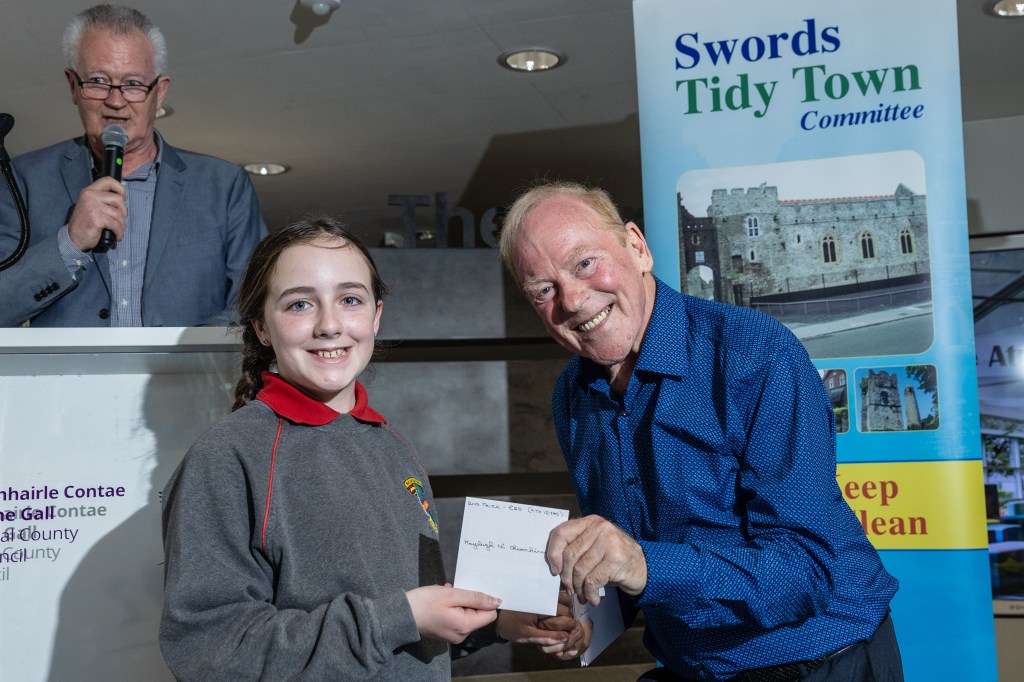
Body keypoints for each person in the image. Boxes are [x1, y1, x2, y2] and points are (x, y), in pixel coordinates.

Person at [498, 181, 903, 681]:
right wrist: (585, 612)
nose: (574, 300)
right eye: (544, 290)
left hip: (822, 662)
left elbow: (805, 571)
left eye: (584, 263)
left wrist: (643, 565)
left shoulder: (755, 356)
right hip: (692, 669)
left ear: (637, 247)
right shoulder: (571, 395)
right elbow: (629, 550)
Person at [160, 216, 585, 680]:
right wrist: (401, 617)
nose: (329, 325)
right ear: (262, 326)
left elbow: (403, 634)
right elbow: (211, 653)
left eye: (349, 300)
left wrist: (493, 624)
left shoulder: (392, 446)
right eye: (300, 304)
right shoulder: (227, 457)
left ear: (376, 315)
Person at [0, 4, 266, 327]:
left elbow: (254, 306)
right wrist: (70, 243)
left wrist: (175, 352)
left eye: (133, 84)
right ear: (73, 86)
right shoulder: (24, 179)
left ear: (160, 91)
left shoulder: (223, 187)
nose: (116, 101)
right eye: (98, 81)